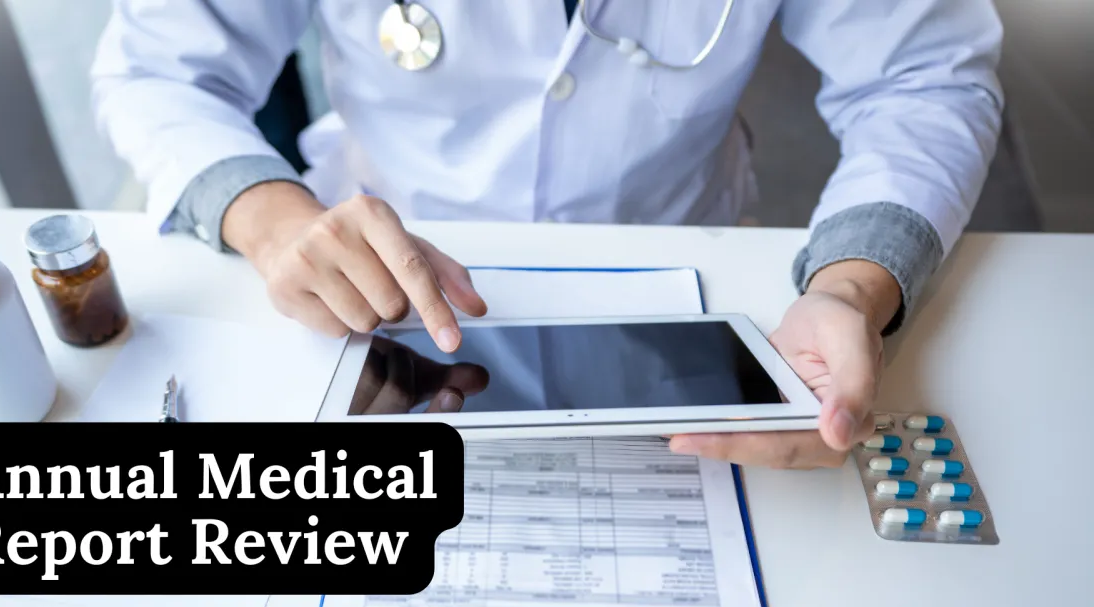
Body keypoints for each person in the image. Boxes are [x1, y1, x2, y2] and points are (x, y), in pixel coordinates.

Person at [90, 0, 1004, 470]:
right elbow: (157, 69)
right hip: (377, 284)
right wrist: (269, 217)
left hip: (684, 259)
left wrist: (853, 282)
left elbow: (922, 73)